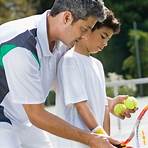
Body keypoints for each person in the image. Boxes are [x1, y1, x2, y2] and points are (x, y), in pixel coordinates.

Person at [0, 0, 121, 148]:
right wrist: (90, 139)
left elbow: (71, 89)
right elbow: (36, 114)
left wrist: (109, 102)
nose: (84, 36)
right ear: (67, 18)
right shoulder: (21, 48)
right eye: (84, 29)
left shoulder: (62, 42)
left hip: (23, 117)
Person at [55, 8, 135, 148]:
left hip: (95, 143)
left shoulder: (97, 65)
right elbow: (81, 105)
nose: (105, 43)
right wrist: (101, 135)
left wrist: (108, 141)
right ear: (87, 29)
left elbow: (104, 108)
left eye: (108, 39)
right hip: (74, 144)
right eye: (103, 36)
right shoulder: (70, 61)